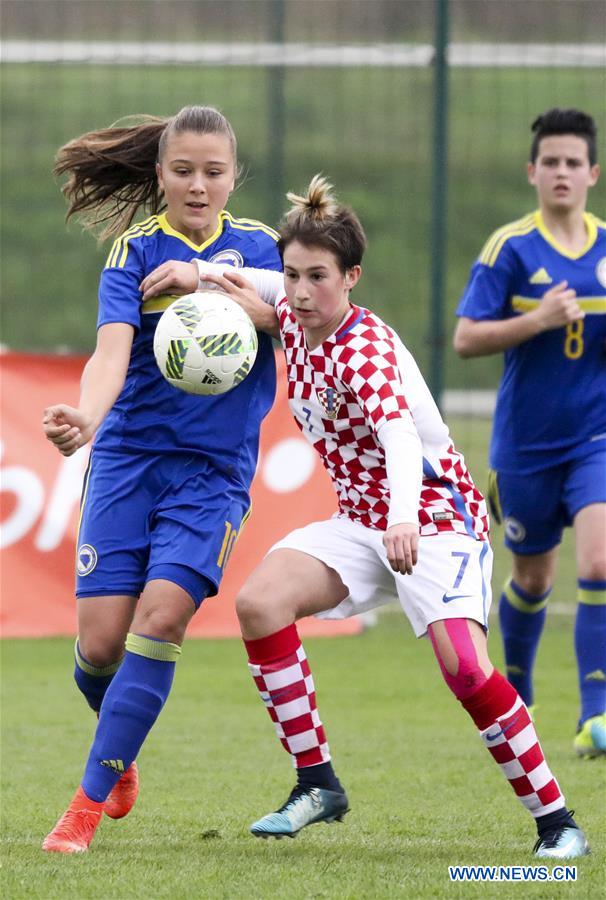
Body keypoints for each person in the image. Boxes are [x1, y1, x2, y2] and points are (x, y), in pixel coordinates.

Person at [177, 174, 589, 857]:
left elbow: (399, 435)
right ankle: (317, 782)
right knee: (260, 603)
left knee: (465, 670)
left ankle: (557, 821)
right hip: (363, 522)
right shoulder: (298, 309)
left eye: (317, 278)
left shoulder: (363, 348)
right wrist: (188, 270)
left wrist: (403, 520)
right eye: (292, 276)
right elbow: (253, 280)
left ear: (352, 279)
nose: (300, 290)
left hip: (433, 516)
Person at [41, 105, 282, 854]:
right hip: (128, 461)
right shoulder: (133, 253)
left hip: (212, 474)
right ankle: (122, 747)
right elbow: (112, 351)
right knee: (102, 647)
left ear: (234, 176)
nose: (199, 185)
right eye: (183, 171)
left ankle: (79, 812)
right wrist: (85, 417)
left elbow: (304, 308)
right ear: (159, 174)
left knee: (163, 618)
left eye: (214, 172)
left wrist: (226, 286)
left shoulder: (263, 250)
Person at [453, 108, 606, 758]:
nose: (563, 173)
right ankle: (515, 686)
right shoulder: (510, 249)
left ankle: (596, 714)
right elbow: (465, 339)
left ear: (592, 173)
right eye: (552, 162)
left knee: (598, 562)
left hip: (594, 438)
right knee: (535, 578)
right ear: (532, 172)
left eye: (575, 162)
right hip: (524, 447)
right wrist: (536, 319)